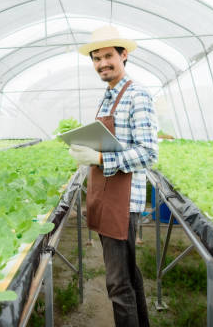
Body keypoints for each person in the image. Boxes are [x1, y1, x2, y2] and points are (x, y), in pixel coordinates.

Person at [69, 25, 158, 327]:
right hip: (107, 196)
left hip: (122, 202)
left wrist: (98, 157)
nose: (102, 63)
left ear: (124, 55)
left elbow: (148, 153)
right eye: (96, 58)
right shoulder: (109, 96)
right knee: (129, 276)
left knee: (118, 285)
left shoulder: (137, 96)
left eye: (108, 56)